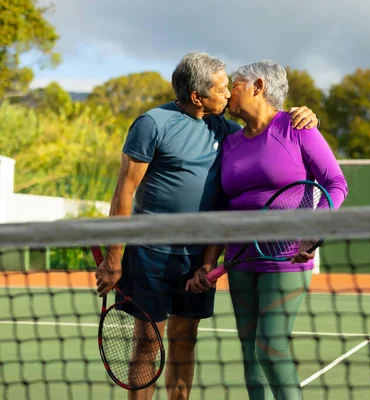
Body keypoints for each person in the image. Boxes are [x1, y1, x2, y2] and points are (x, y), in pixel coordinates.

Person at [94, 52, 319, 400]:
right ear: (198, 97)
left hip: (197, 256)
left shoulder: (226, 128)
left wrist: (302, 115)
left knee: (185, 340)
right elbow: (124, 191)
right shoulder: (152, 124)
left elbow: (265, 125)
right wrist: (113, 258)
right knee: (146, 343)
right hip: (150, 251)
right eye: (222, 88)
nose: (229, 94)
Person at [187, 60, 348, 399]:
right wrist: (206, 262)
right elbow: (223, 210)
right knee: (250, 356)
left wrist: (314, 230)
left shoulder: (297, 127)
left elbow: (335, 183)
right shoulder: (230, 141)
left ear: (258, 87)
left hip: (287, 258)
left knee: (270, 350)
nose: (229, 92)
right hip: (240, 261)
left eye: (236, 85)